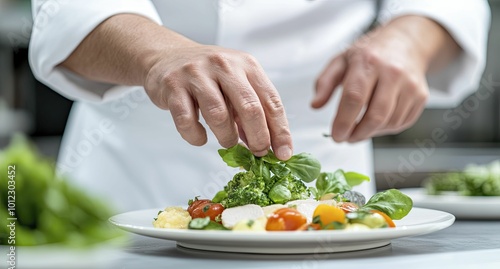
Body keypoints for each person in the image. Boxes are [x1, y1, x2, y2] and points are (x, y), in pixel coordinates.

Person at [29, 0, 490, 212]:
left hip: (321, 177)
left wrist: (411, 36)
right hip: (129, 177)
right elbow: (64, 11)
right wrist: (156, 54)